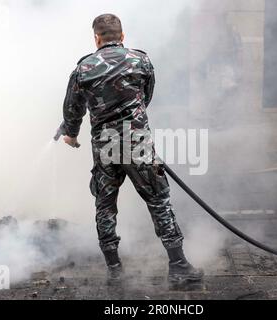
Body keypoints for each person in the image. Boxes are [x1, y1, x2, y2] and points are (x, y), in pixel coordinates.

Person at [61, 13, 203, 283]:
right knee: (158, 201)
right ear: (122, 36)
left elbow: (72, 108)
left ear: (96, 38)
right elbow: (146, 96)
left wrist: (71, 133)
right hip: (137, 144)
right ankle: (179, 267)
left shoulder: (83, 69)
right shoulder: (141, 60)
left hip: (105, 147)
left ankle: (114, 272)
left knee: (105, 206)